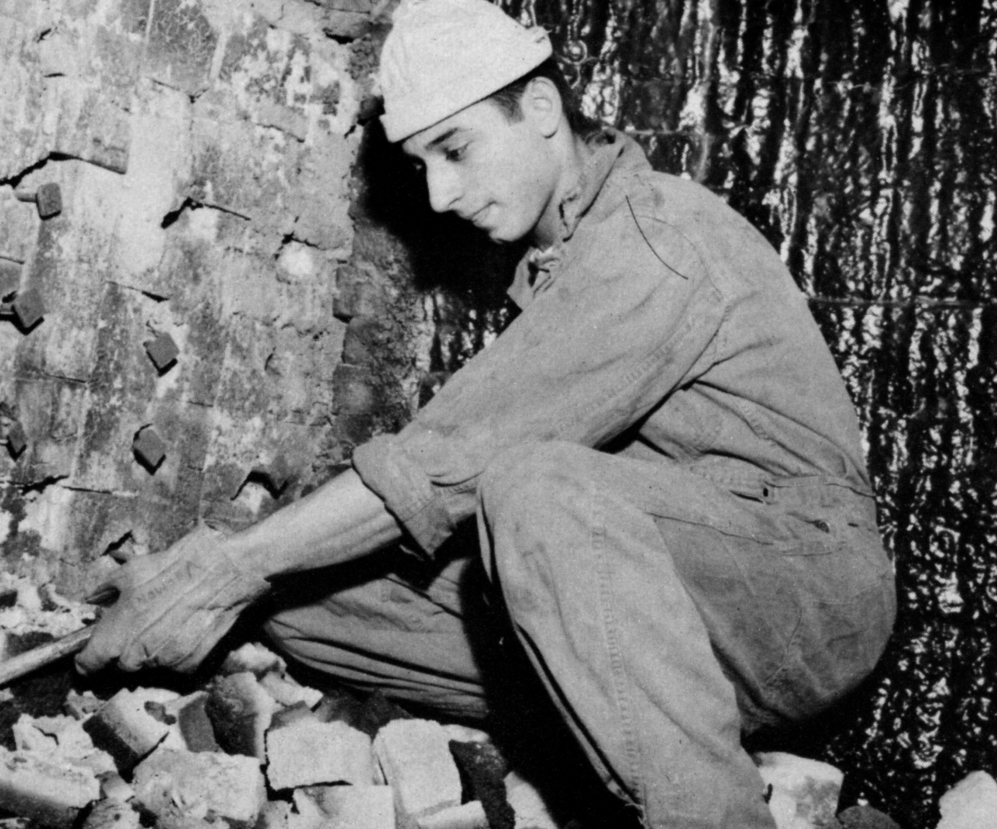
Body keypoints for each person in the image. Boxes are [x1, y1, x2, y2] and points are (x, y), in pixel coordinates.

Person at [76, 0, 896, 826]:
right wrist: (233, 576)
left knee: (527, 485)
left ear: (541, 110)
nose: (438, 193)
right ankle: (603, 739)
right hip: (663, 600)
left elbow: (459, 456)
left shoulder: (657, 238)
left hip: (800, 590)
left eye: (456, 149)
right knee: (299, 595)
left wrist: (226, 567)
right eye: (422, 162)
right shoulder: (560, 259)